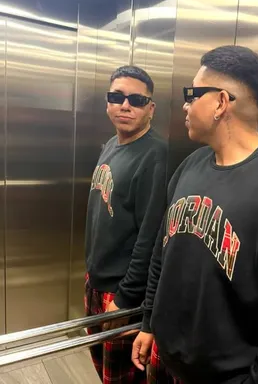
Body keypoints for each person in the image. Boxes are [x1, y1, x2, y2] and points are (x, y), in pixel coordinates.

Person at [132, 45, 258, 384]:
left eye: (193, 95)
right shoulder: (189, 166)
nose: (185, 105)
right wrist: (149, 323)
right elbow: (161, 255)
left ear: (221, 102)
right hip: (166, 360)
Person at [84, 65, 167, 384]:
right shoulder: (111, 144)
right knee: (101, 366)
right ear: (107, 103)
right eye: (117, 97)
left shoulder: (155, 157)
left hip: (121, 291)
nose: (125, 105)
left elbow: (150, 238)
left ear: (151, 108)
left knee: (121, 377)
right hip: (97, 281)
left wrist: (125, 298)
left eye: (137, 100)